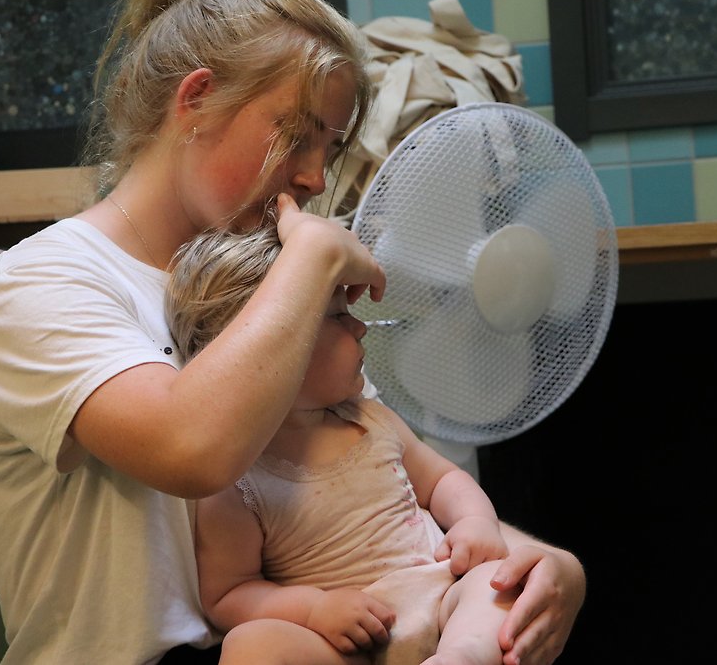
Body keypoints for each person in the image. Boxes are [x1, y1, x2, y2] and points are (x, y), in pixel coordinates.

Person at [0, 0, 584, 664]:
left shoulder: (279, 277)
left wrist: (536, 564)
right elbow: (191, 450)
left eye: (329, 145)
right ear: (197, 98)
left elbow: (377, 480)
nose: (314, 176)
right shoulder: (40, 284)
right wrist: (316, 255)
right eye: (296, 134)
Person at [167, 225, 519, 665]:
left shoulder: (372, 419)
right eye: (336, 316)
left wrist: (475, 521)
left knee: (496, 586)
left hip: (442, 593)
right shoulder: (236, 477)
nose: (359, 325)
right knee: (251, 645)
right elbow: (229, 595)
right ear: (269, 346)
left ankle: (462, 656)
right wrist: (315, 609)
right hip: (347, 641)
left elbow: (444, 479)